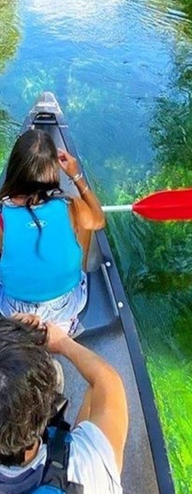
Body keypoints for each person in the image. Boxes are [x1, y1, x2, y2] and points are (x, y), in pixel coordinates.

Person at [0, 314, 127, 492]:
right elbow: (106, 380)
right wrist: (62, 343)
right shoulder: (90, 465)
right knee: (85, 387)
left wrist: (11, 334)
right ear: (46, 406)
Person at [0, 130, 105, 336]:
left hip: (14, 309)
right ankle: (69, 319)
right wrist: (77, 176)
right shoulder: (70, 205)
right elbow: (99, 220)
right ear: (52, 170)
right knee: (84, 224)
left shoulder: (2, 212)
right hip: (64, 307)